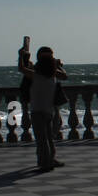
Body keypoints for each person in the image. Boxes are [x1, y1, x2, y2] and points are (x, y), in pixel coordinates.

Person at [18, 43, 68, 171]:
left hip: (37, 111)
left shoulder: (36, 75)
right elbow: (64, 75)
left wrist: (20, 56)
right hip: (48, 110)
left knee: (41, 139)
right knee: (49, 138)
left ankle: (46, 162)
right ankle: (49, 159)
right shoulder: (53, 76)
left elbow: (22, 69)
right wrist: (58, 65)